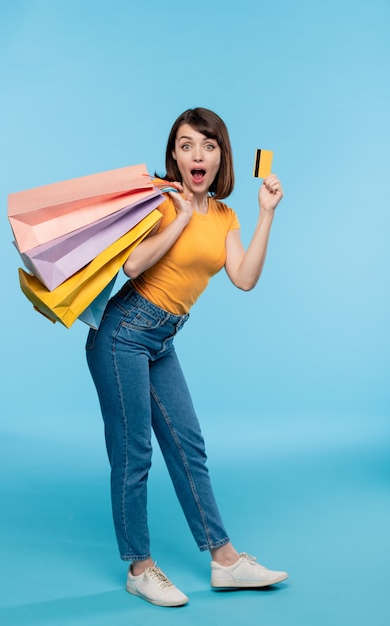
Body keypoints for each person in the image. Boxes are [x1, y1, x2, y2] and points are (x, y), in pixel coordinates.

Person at [86, 107, 287, 607]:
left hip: (163, 338)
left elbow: (243, 277)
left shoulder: (225, 216)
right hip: (123, 333)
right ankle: (140, 566)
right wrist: (177, 216)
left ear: (221, 156)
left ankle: (225, 561)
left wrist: (265, 214)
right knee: (134, 453)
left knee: (188, 445)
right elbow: (134, 263)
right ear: (174, 155)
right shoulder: (159, 199)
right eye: (186, 145)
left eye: (208, 145)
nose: (197, 155)